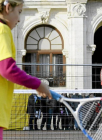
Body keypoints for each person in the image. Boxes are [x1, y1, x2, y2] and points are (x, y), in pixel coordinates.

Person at [0, 0, 52, 139]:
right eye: (19, 12)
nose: (19, 18)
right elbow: (7, 69)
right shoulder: (2, 30)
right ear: (8, 8)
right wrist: (38, 84)